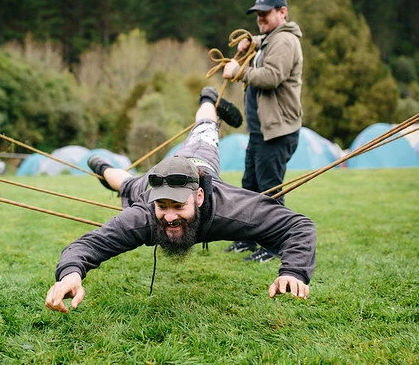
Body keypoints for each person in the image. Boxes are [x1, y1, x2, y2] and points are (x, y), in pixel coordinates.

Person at [45, 87, 316, 313]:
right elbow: (90, 244)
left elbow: (298, 226)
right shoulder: (145, 212)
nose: (170, 216)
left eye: (178, 205)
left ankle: (207, 98)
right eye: (162, 205)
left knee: (206, 127)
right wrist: (70, 274)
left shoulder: (231, 206)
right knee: (127, 184)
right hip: (159, 172)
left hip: (201, 159)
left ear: (199, 197)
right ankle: (102, 167)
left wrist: (293, 271)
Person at [222, 0, 304, 263]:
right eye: (258, 15)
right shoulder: (271, 39)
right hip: (261, 131)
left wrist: (239, 72)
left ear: (282, 12)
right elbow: (264, 41)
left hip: (277, 131)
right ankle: (247, 239)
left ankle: (274, 246)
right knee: (250, 187)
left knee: (270, 191)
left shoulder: (285, 41)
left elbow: (271, 77)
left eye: (265, 14)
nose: (260, 19)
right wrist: (251, 41)